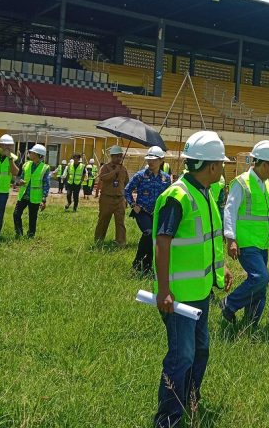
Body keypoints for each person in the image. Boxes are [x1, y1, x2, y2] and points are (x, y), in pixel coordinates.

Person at [151, 130, 233, 428]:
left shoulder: (205, 193)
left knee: (201, 351)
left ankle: (188, 399)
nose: (223, 168)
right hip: (178, 296)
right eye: (221, 164)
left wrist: (219, 269)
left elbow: (206, 240)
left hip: (200, 291)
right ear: (210, 166)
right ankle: (168, 418)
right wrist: (163, 291)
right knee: (181, 356)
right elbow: (163, 242)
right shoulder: (178, 196)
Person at [220, 140, 269, 326]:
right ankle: (229, 304)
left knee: (260, 288)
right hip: (246, 242)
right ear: (264, 163)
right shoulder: (241, 183)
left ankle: (250, 325)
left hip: (261, 243)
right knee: (261, 277)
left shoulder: (266, 185)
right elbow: (230, 210)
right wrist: (231, 239)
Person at [125, 146, 171, 274]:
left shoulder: (166, 178)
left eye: (154, 160)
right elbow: (127, 190)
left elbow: (168, 195)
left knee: (153, 238)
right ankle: (137, 262)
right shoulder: (140, 175)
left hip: (157, 213)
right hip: (142, 212)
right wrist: (133, 205)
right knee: (149, 233)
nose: (150, 162)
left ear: (161, 160)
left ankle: (146, 266)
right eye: (148, 159)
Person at [13, 144, 51, 238]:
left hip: (35, 197)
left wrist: (43, 199)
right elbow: (20, 178)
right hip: (23, 195)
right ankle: (19, 232)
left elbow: (46, 184)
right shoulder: (26, 164)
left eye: (31, 152)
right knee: (16, 214)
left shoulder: (45, 168)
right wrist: (19, 182)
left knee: (32, 217)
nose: (29, 153)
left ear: (38, 155)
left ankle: (31, 235)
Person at [94, 145, 129, 246]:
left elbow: (126, 183)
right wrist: (114, 172)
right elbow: (102, 178)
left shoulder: (123, 169)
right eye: (116, 156)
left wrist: (125, 198)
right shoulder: (105, 167)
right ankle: (99, 240)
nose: (119, 158)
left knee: (120, 222)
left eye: (120, 156)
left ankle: (120, 241)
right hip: (107, 198)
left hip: (119, 199)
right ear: (111, 156)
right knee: (103, 220)